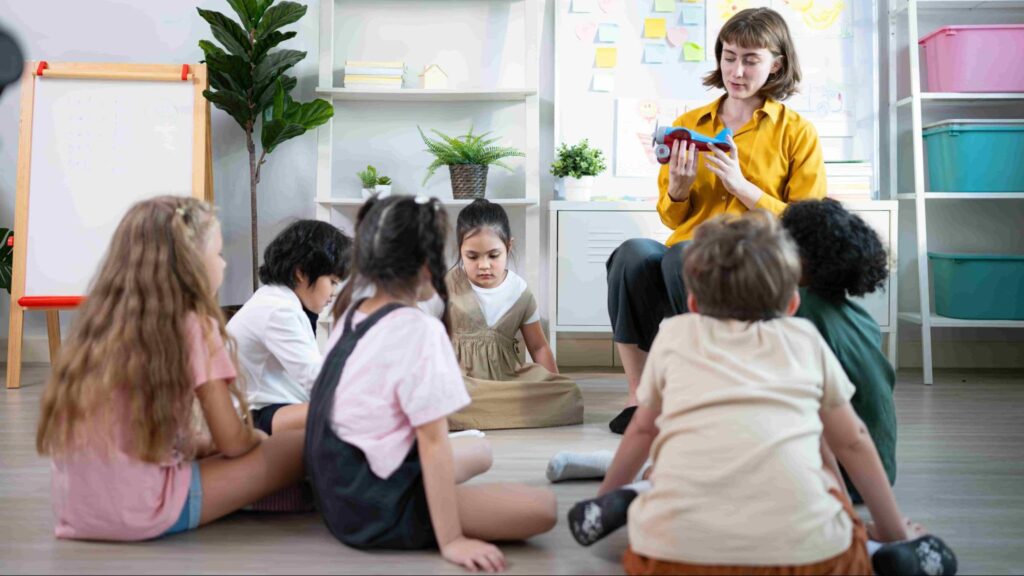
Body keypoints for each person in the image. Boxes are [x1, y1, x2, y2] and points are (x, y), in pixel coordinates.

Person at [569, 211, 957, 576]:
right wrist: (891, 530)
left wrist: (601, 500)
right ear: (791, 303)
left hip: (669, 560)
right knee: (816, 449)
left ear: (691, 303)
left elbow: (641, 431)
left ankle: (632, 496)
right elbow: (853, 441)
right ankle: (880, 549)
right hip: (808, 560)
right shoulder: (804, 336)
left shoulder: (673, 335)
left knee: (672, 463)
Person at [305, 195, 556, 572]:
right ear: (425, 263)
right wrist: (452, 539)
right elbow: (433, 441)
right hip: (372, 505)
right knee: (543, 508)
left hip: (338, 486)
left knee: (479, 450)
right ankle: (434, 508)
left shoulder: (354, 310)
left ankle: (437, 496)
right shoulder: (418, 328)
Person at [606, 7, 827, 433]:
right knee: (633, 254)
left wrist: (745, 188)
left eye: (750, 59)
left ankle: (701, 388)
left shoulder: (796, 131)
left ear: (776, 64)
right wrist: (679, 188)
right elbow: (671, 216)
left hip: (756, 255)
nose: (736, 70)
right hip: (688, 246)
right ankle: (640, 396)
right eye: (729, 56)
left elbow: (807, 223)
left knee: (684, 256)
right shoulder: (689, 125)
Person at [36, 196, 304, 541]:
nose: (223, 265)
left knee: (213, 450)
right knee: (297, 446)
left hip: (78, 514)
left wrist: (201, 445)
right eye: (219, 255)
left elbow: (135, 430)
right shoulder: (194, 325)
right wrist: (256, 437)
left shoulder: (99, 326)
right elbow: (234, 442)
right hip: (147, 509)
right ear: (190, 265)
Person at [783, 198, 898, 502]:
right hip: (877, 471)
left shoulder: (799, 313)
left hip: (842, 477)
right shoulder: (858, 317)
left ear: (802, 259)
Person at [445, 199, 583, 430]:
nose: (484, 265)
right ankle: (493, 414)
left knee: (568, 391)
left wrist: (553, 384)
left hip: (506, 379)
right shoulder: (446, 287)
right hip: (461, 381)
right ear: (460, 251)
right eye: (472, 256)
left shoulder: (519, 291)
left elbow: (538, 347)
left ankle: (474, 417)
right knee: (437, 394)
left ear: (508, 247)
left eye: (493, 255)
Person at [228, 219, 351, 435]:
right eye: (331, 282)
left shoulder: (278, 300)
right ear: (301, 273)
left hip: (265, 408)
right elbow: (317, 380)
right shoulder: (278, 310)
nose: (333, 292)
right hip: (252, 416)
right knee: (351, 410)